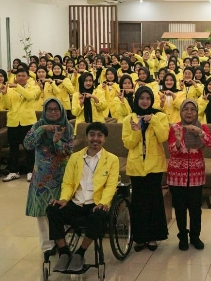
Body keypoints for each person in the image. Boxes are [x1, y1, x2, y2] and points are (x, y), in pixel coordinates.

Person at [46, 122, 120, 273]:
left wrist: (104, 203)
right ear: (86, 137)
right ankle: (64, 252)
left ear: (105, 139)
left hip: (95, 204)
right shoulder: (75, 157)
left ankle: (80, 253)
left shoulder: (112, 159)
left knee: (99, 215)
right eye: (92, 134)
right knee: (52, 209)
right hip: (75, 202)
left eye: (100, 135)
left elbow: (111, 186)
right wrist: (64, 199)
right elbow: (67, 182)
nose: (95, 139)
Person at [23, 98, 74, 259]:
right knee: (42, 212)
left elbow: (68, 152)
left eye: (56, 109)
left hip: (61, 176)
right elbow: (28, 144)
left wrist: (57, 141)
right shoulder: (38, 125)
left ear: (61, 111)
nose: (53, 112)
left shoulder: (68, 127)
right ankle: (47, 245)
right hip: (41, 177)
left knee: (61, 210)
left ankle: (63, 243)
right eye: (49, 109)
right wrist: (42, 129)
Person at [122, 87, 170, 252]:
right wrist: (136, 131)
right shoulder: (129, 118)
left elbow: (164, 137)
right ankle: (140, 237)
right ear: (137, 100)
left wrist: (153, 121)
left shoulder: (160, 116)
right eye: (141, 98)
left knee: (154, 201)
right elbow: (128, 144)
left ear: (152, 100)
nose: (144, 101)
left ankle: (153, 237)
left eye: (147, 98)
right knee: (139, 202)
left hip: (154, 166)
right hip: (136, 166)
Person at [166, 99, 211, 251]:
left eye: (192, 109)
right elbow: (172, 151)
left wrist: (199, 132)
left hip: (196, 173)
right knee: (180, 208)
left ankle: (195, 236)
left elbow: (210, 143)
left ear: (197, 112)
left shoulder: (203, 127)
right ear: (180, 111)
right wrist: (179, 141)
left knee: (195, 208)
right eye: (185, 109)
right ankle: (182, 236)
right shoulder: (175, 127)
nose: (189, 112)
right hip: (177, 174)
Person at [2, 68, 41, 182]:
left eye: (23, 75)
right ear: (15, 77)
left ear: (28, 77)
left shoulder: (34, 87)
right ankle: (13, 171)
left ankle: (30, 171)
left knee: (29, 148)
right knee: (13, 147)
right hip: (13, 121)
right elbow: (7, 105)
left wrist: (17, 87)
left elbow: (29, 96)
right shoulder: (10, 89)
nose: (20, 78)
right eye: (18, 75)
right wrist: (4, 94)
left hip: (28, 121)